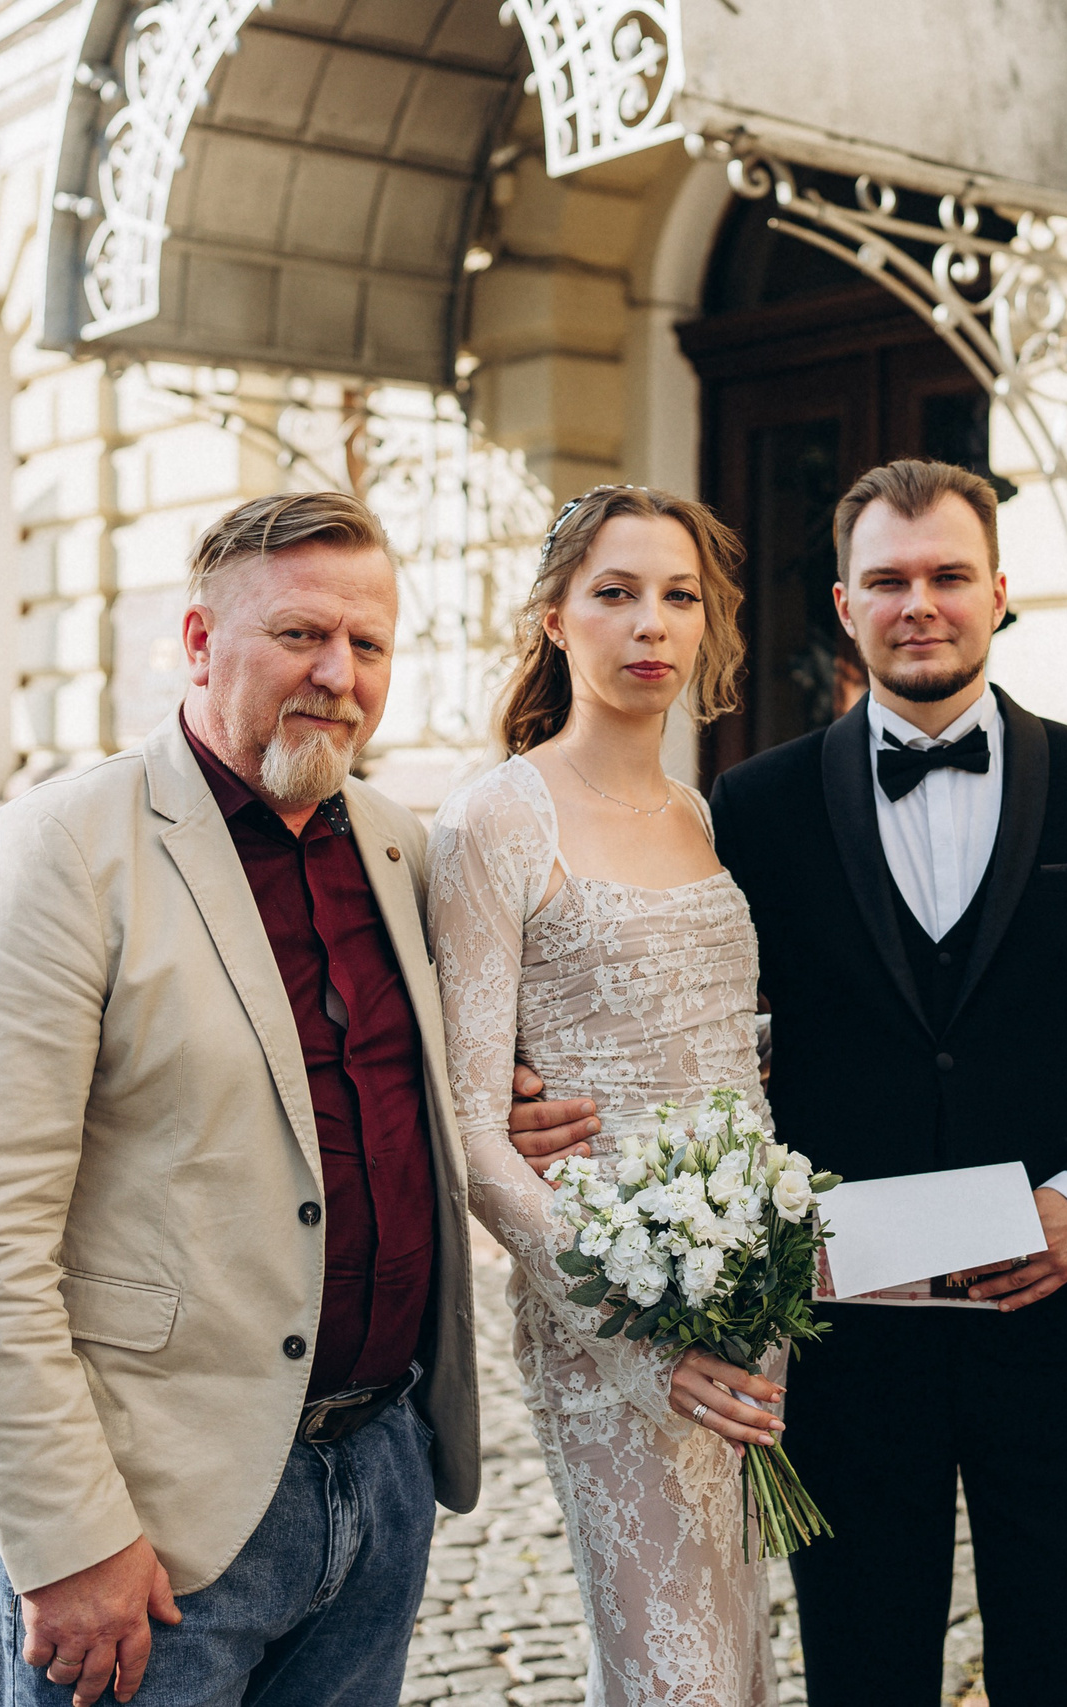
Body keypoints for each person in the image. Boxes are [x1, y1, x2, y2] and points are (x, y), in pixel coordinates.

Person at [0, 492, 483, 1707]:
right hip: (149, 1533)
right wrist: (67, 1538)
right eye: (300, 636)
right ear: (200, 640)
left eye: (369, 645)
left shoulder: (397, 844)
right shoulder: (56, 852)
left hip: (375, 1482)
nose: (338, 675)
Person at [713, 460, 1067, 1707]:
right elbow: (703, 1040)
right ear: (842, 603)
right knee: (862, 1665)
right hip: (848, 1333)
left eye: (946, 576)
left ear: (999, 592)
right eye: (887, 580)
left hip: (1059, 1320)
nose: (918, 603)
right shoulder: (753, 808)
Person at [429, 484, 792, 1707]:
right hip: (611, 1315)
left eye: (679, 596)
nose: (652, 624)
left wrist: (767, 1245)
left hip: (745, 1291)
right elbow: (474, 1135)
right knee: (672, 1676)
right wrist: (639, 1321)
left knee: (732, 1657)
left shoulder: (696, 813)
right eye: (616, 593)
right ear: (553, 619)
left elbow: (723, 1052)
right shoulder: (496, 818)